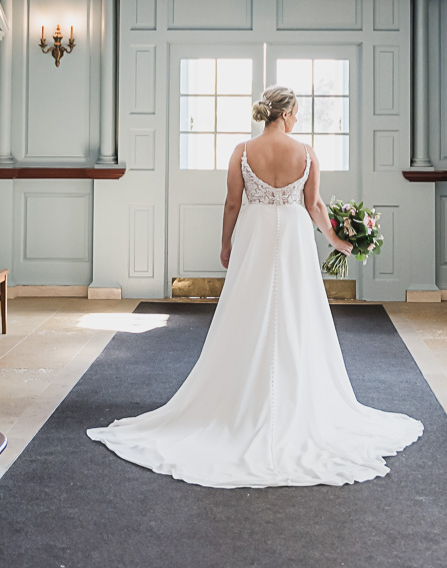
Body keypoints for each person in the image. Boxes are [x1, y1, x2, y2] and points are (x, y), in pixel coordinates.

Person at [87, 85, 423, 487]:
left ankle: (240, 399)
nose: (297, 119)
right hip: (295, 238)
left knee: (247, 310)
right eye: (296, 113)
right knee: (297, 312)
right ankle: (296, 403)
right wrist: (336, 241)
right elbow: (313, 206)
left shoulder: (242, 151)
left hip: (255, 234)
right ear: (287, 113)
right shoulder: (306, 152)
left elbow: (232, 203)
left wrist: (226, 243)